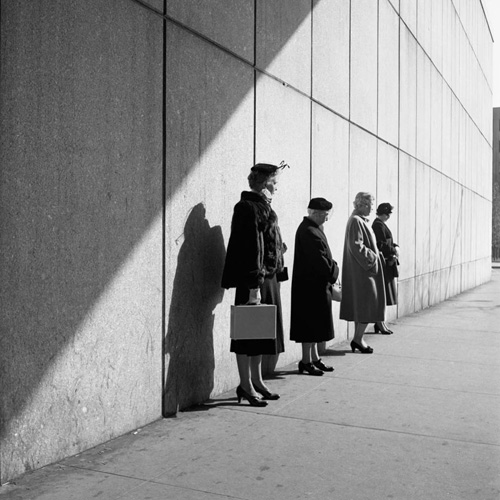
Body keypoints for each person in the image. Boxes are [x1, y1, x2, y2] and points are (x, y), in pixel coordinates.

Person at [221, 162, 288, 406]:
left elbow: (266, 243)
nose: (277, 187)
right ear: (264, 183)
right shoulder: (247, 207)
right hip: (253, 280)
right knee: (246, 334)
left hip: (265, 278)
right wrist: (254, 286)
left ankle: (257, 381)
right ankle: (245, 385)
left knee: (260, 333)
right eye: (274, 182)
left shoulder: (263, 206)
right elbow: (251, 249)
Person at [290, 198, 340, 375]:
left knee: (314, 325)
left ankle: (314, 358)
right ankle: (306, 361)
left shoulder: (311, 228)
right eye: (325, 215)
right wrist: (335, 269)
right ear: (316, 213)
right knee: (310, 326)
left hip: (312, 285)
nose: (327, 218)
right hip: (311, 287)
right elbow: (321, 262)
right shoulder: (310, 231)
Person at [339, 192, 385, 354]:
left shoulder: (358, 220)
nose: (372, 209)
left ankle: (358, 339)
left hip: (363, 271)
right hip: (364, 273)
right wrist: (373, 258)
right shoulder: (356, 221)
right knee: (367, 305)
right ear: (363, 205)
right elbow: (356, 246)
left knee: (362, 306)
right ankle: (358, 339)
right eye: (371, 205)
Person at [372, 203, 399, 334]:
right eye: (387, 214)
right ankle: (379, 322)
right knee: (383, 294)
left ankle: (380, 322)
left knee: (385, 294)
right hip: (385, 263)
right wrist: (394, 250)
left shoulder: (380, 224)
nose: (388, 216)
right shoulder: (378, 225)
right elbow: (381, 244)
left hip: (387, 262)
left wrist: (395, 247)